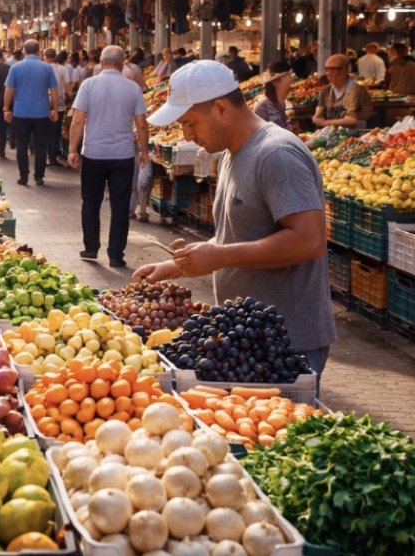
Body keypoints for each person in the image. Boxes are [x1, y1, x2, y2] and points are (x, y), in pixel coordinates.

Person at [132, 60, 336, 379]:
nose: (186, 134)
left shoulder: (276, 155)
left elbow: (308, 240)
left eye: (190, 123)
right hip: (249, 336)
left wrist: (219, 257)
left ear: (221, 109)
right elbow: (241, 235)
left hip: (286, 342)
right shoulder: (231, 155)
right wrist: (178, 265)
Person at [68, 46, 149, 268]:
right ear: (123, 64)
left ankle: (91, 248)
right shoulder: (133, 89)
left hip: (93, 154)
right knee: (120, 205)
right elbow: (141, 124)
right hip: (122, 156)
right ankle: (115, 255)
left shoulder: (88, 85)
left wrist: (72, 149)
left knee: (91, 202)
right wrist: (145, 151)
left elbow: (78, 120)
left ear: (101, 63)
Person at [4, 39, 60, 186]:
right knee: (41, 145)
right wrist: (54, 109)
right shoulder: (47, 68)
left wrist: (6, 108)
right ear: (38, 51)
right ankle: (39, 176)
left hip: (21, 112)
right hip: (42, 113)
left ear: (24, 51)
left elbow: (9, 90)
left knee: (22, 145)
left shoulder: (15, 68)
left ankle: (23, 177)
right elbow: (54, 90)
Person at [312, 54, 374, 129]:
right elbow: (318, 115)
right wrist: (318, 119)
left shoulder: (358, 91)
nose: (328, 73)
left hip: (354, 136)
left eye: (332, 69)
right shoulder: (326, 91)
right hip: (331, 135)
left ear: (345, 70)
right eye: (327, 69)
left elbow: (352, 120)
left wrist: (325, 123)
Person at [43, 49, 70, 164]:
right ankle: (53, 156)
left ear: (44, 57)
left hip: (43, 103)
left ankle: (44, 154)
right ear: (55, 57)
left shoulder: (41, 68)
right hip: (58, 105)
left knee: (44, 130)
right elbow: (68, 87)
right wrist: (68, 99)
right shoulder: (63, 69)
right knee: (55, 131)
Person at [253, 60, 294, 132]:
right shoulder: (263, 106)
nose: (291, 80)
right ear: (276, 81)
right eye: (288, 76)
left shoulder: (285, 103)